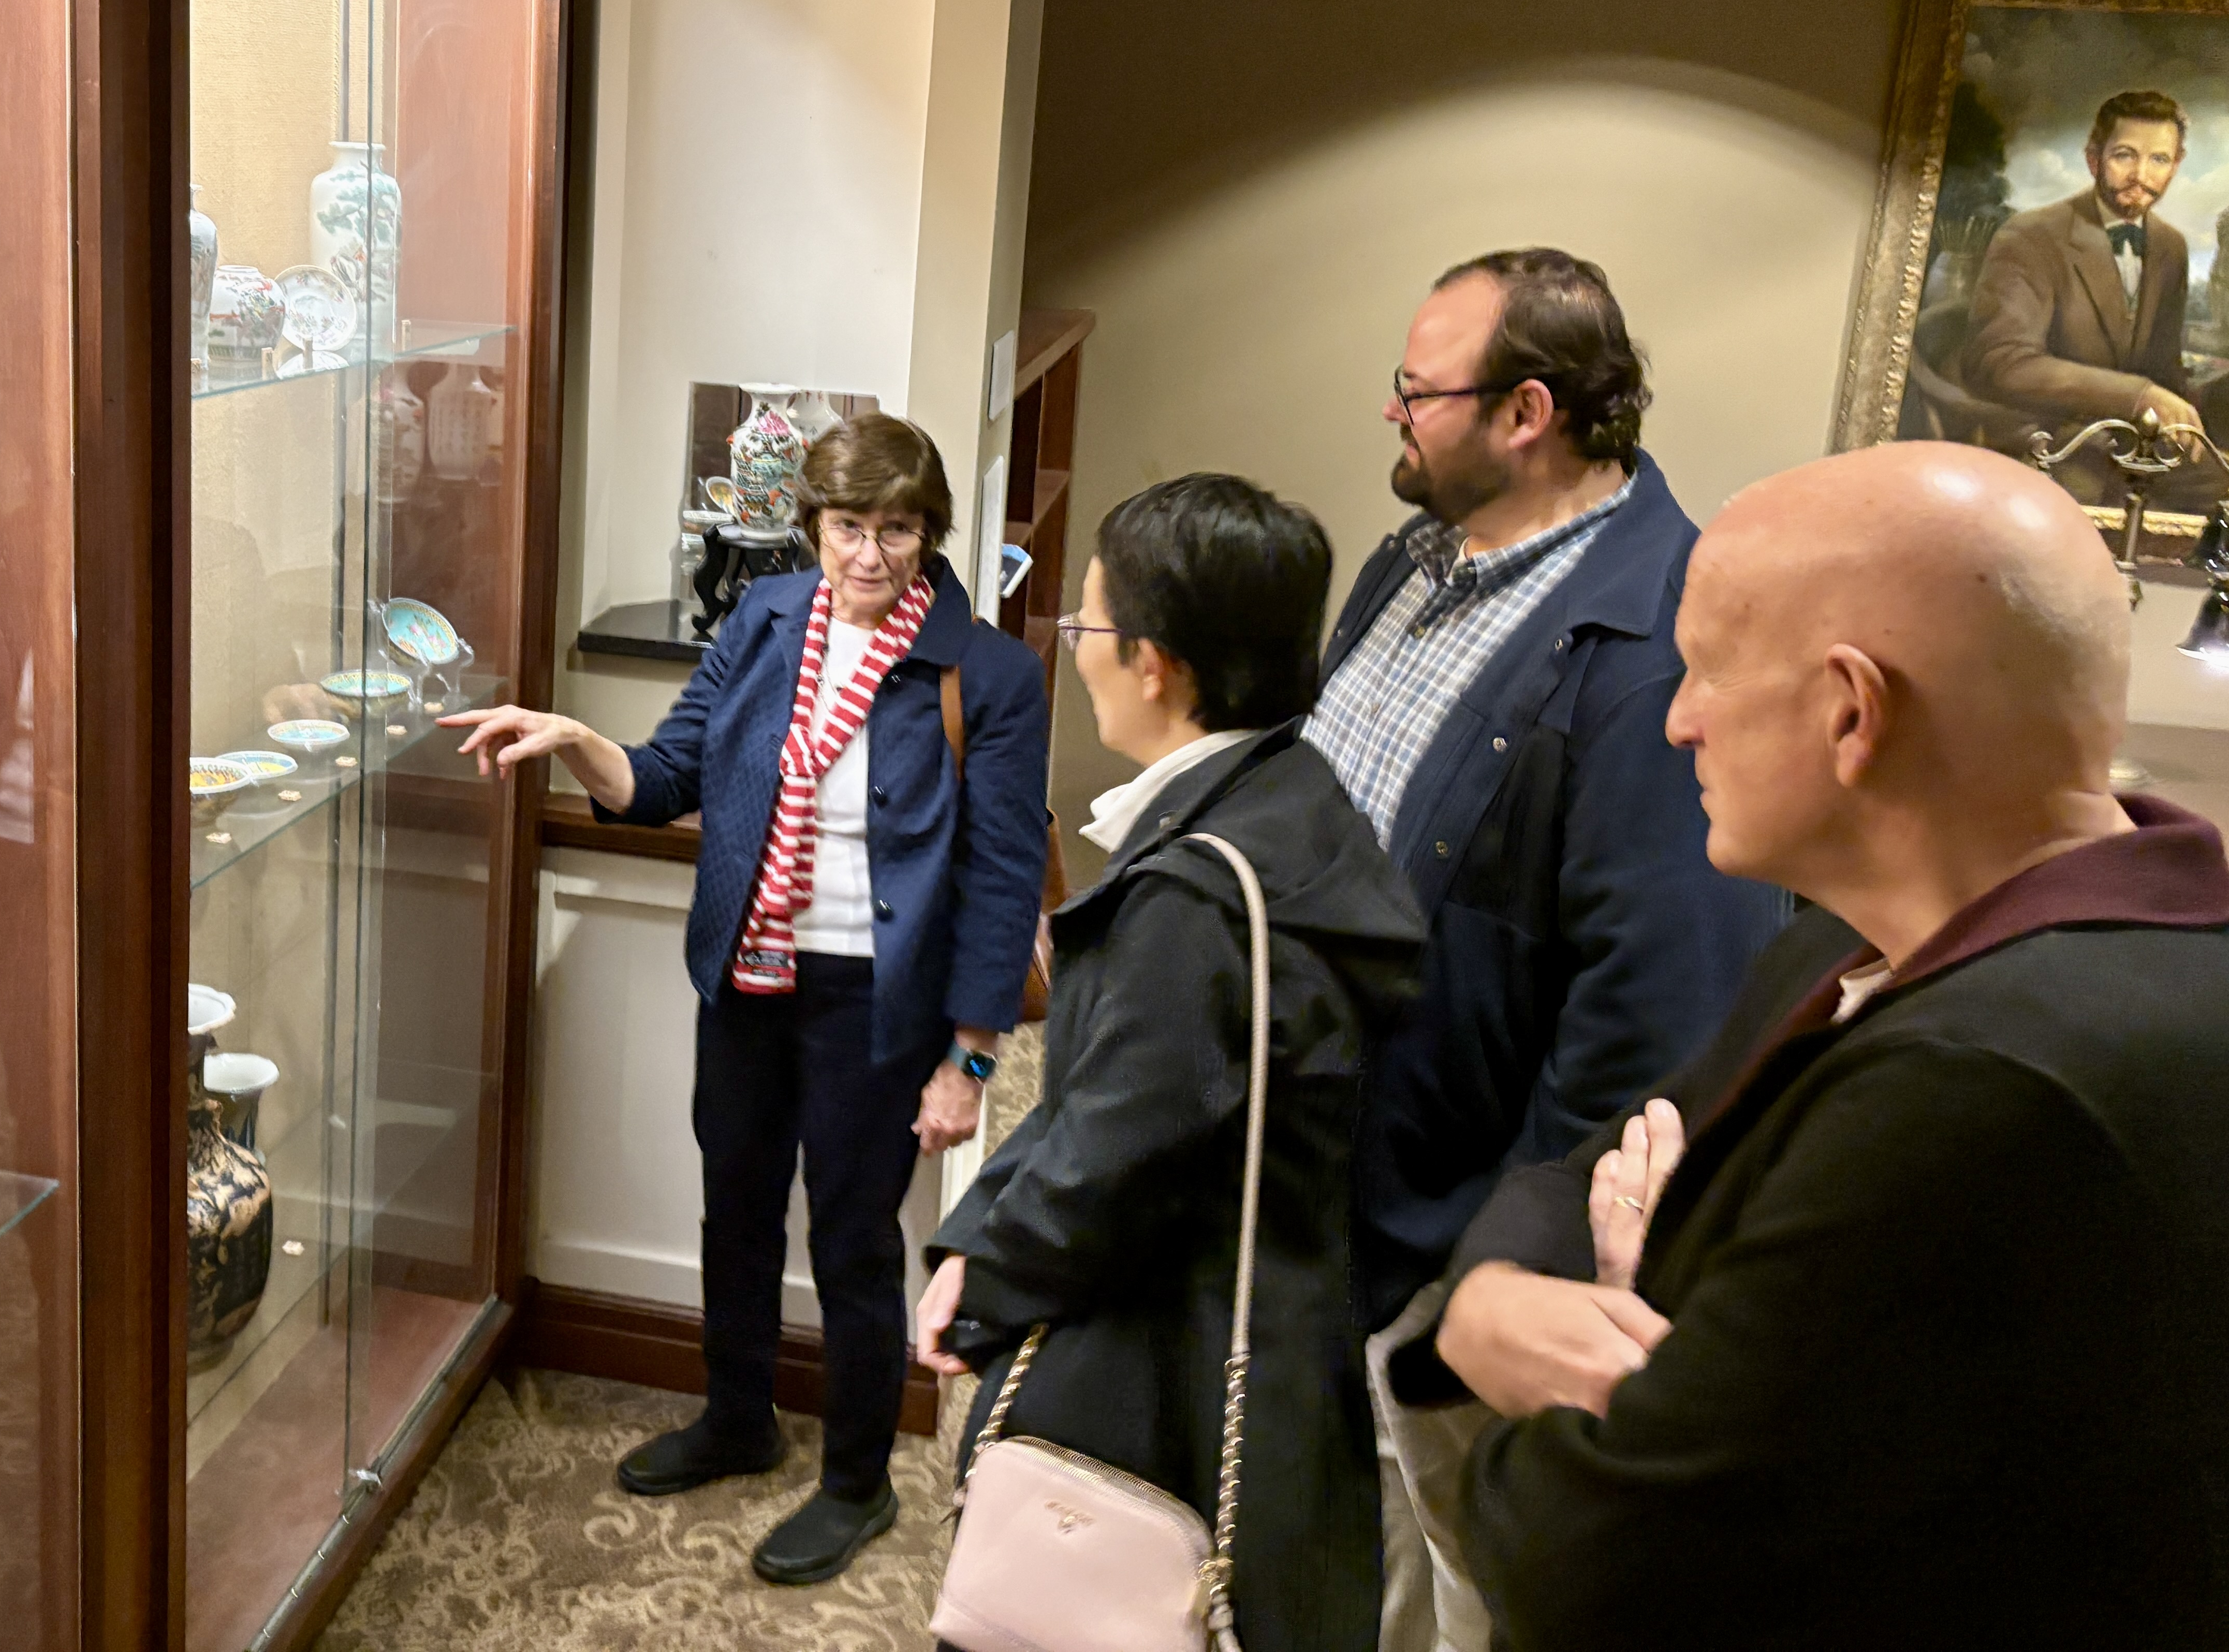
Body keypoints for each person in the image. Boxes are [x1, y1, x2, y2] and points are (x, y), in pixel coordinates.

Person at [1441, 442, 2229, 1650]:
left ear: (1852, 711)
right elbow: (1589, 1167)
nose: (1679, 721)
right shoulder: (1843, 948)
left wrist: (1624, 1307)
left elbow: (1589, 1559)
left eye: (1704, 670)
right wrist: (1486, 1302)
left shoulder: (1991, 1078)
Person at [451, 413, 1049, 1585]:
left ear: (929, 533)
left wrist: (966, 1062)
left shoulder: (989, 673)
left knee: (853, 1239)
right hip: (747, 976)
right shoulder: (768, 622)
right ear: (811, 528)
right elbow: (669, 774)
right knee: (734, 1203)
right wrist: (577, 736)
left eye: (897, 530)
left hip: (879, 1002)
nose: (869, 556)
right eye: (846, 528)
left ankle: (859, 1481)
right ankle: (739, 1415)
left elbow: (999, 880)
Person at [1300, 248, 1786, 1649]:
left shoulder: (1652, 652)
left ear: (1527, 412)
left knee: (1407, 1595)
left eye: (1417, 391)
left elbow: (1653, 1025)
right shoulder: (1412, 553)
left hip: (1435, 1252)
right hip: (1319, 1191)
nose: (1394, 414)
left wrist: (1493, 1283)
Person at [914, 474, 1426, 1652]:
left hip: (1174, 1360)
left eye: (1089, 626)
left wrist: (981, 1279)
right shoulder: (1295, 794)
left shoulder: (1189, 904)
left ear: (1158, 665)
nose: (1075, 651)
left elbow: (1109, 1155)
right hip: (1290, 1320)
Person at [1964, 88, 2199, 437]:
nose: (2141, 175)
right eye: (2125, 156)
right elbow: (2002, 364)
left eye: (2159, 160)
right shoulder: (2030, 236)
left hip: (2142, 447)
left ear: (2176, 165)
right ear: (2094, 159)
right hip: (2049, 443)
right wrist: (2135, 396)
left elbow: (2166, 371)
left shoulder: (2171, 246)